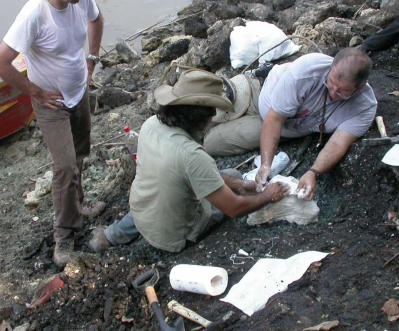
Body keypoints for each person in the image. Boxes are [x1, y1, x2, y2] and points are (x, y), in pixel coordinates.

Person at [89, 70, 289, 253]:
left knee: (232, 179)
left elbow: (189, 171)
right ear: (202, 117)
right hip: (174, 237)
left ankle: (111, 235)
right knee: (232, 180)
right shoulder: (192, 155)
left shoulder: (151, 124)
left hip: (141, 210)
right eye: (212, 113)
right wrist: (268, 196)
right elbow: (233, 208)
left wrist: (240, 184)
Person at [0, 0, 104, 267]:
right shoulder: (34, 15)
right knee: (65, 166)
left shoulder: (82, 0)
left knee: (80, 154)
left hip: (78, 92)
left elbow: (97, 20)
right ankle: (64, 239)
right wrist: (35, 92)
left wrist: (92, 60)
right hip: (51, 104)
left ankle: (78, 205)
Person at [203, 48, 377, 201]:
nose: (333, 92)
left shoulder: (364, 107)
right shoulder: (308, 70)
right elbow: (275, 118)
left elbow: (339, 142)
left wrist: (313, 172)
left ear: (359, 89)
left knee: (207, 143)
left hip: (277, 126)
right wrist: (265, 164)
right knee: (202, 116)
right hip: (259, 93)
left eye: (342, 91)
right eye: (331, 84)